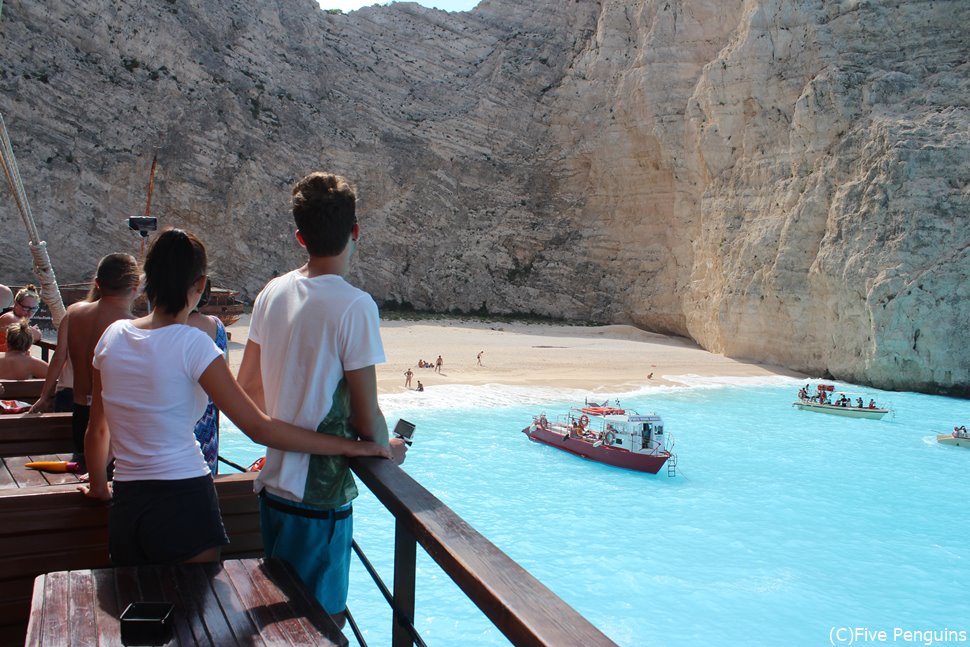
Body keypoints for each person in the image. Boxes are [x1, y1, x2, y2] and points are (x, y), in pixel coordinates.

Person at [81, 229, 390, 568]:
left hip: (129, 501)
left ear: (145, 281)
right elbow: (259, 427)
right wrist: (353, 446)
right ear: (200, 285)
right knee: (194, 610)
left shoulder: (113, 337)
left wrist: (99, 487)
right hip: (184, 500)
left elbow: (98, 430)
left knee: (138, 605)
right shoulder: (194, 345)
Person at [237, 172, 406, 623]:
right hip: (319, 499)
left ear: (299, 237)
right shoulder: (355, 306)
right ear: (355, 231)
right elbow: (368, 415)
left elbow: (248, 391)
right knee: (320, 624)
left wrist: (287, 418)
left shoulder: (270, 293)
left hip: (272, 488)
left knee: (282, 621)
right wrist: (385, 449)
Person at [60, 254, 141, 458]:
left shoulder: (74, 313)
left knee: (84, 476)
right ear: (136, 285)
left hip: (79, 411)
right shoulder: (133, 327)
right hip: (112, 419)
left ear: (97, 283)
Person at [186, 278, 227, 475]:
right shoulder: (216, 326)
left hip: (177, 418)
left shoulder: (160, 328)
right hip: (208, 417)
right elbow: (225, 381)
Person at [0, 284, 42, 351]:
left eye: (34, 309)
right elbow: (36, 335)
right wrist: (33, 331)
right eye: (25, 308)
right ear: (16, 303)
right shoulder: (9, 318)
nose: (30, 313)